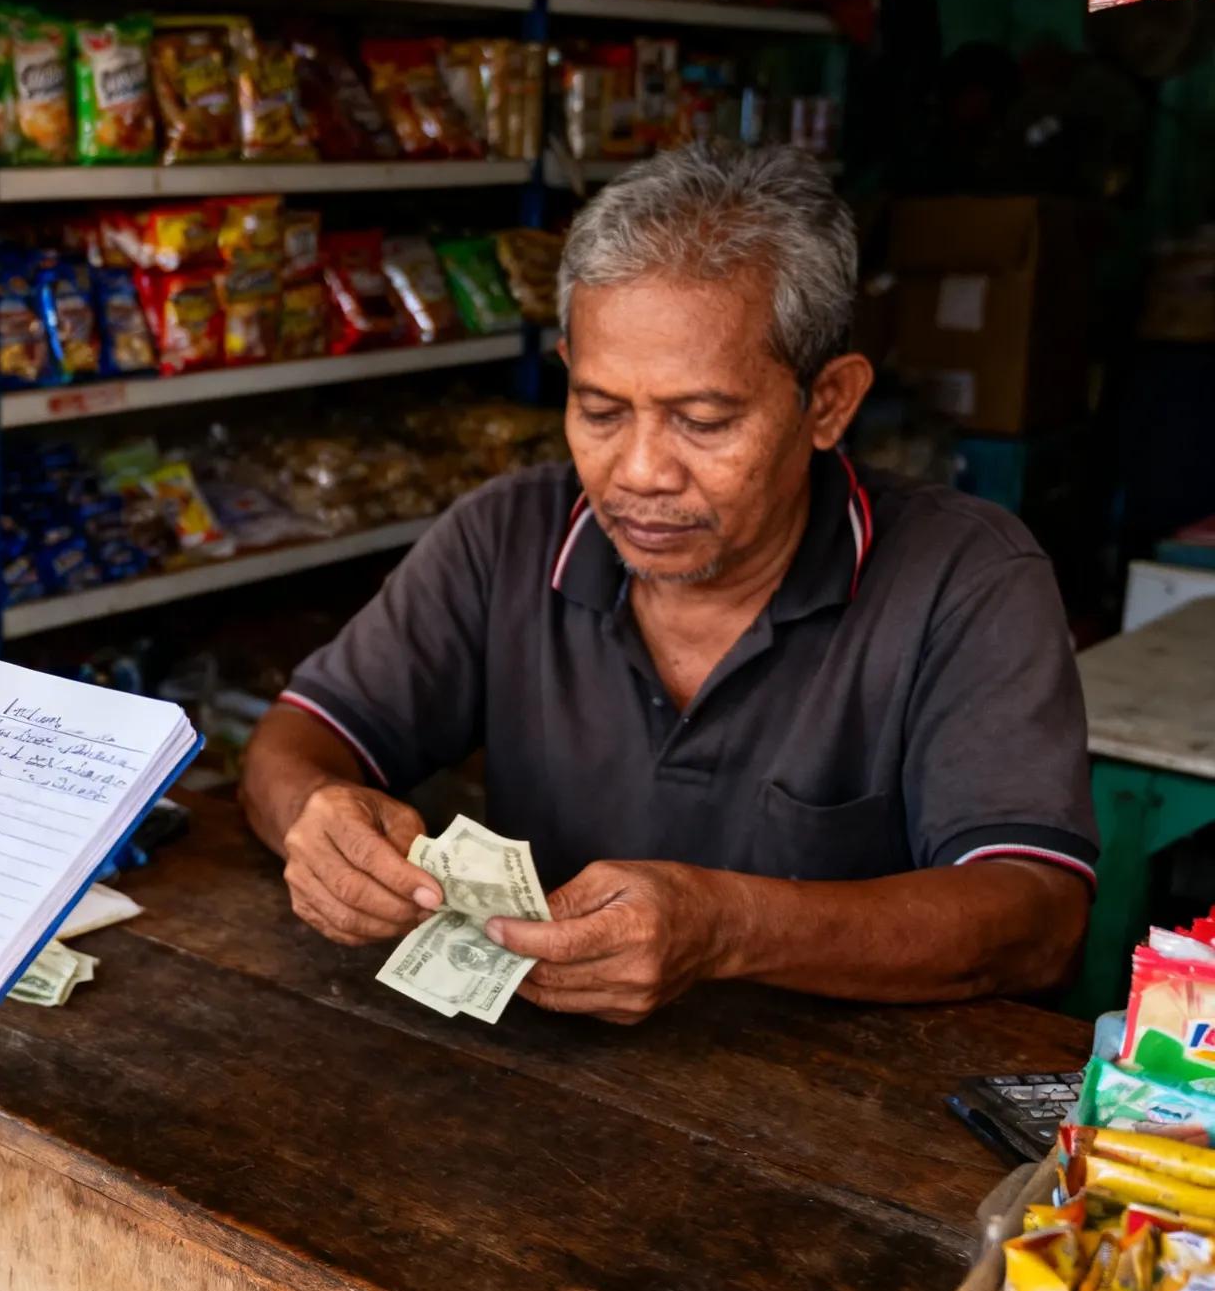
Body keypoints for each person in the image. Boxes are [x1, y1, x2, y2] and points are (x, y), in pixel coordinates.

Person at [240, 143, 1096, 1024]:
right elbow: (296, 740)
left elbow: (1038, 919)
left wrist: (729, 928)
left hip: (841, 1095)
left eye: (704, 421)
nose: (641, 472)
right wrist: (318, 815)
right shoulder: (507, 535)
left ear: (829, 404)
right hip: (536, 1075)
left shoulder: (966, 578)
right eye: (600, 411)